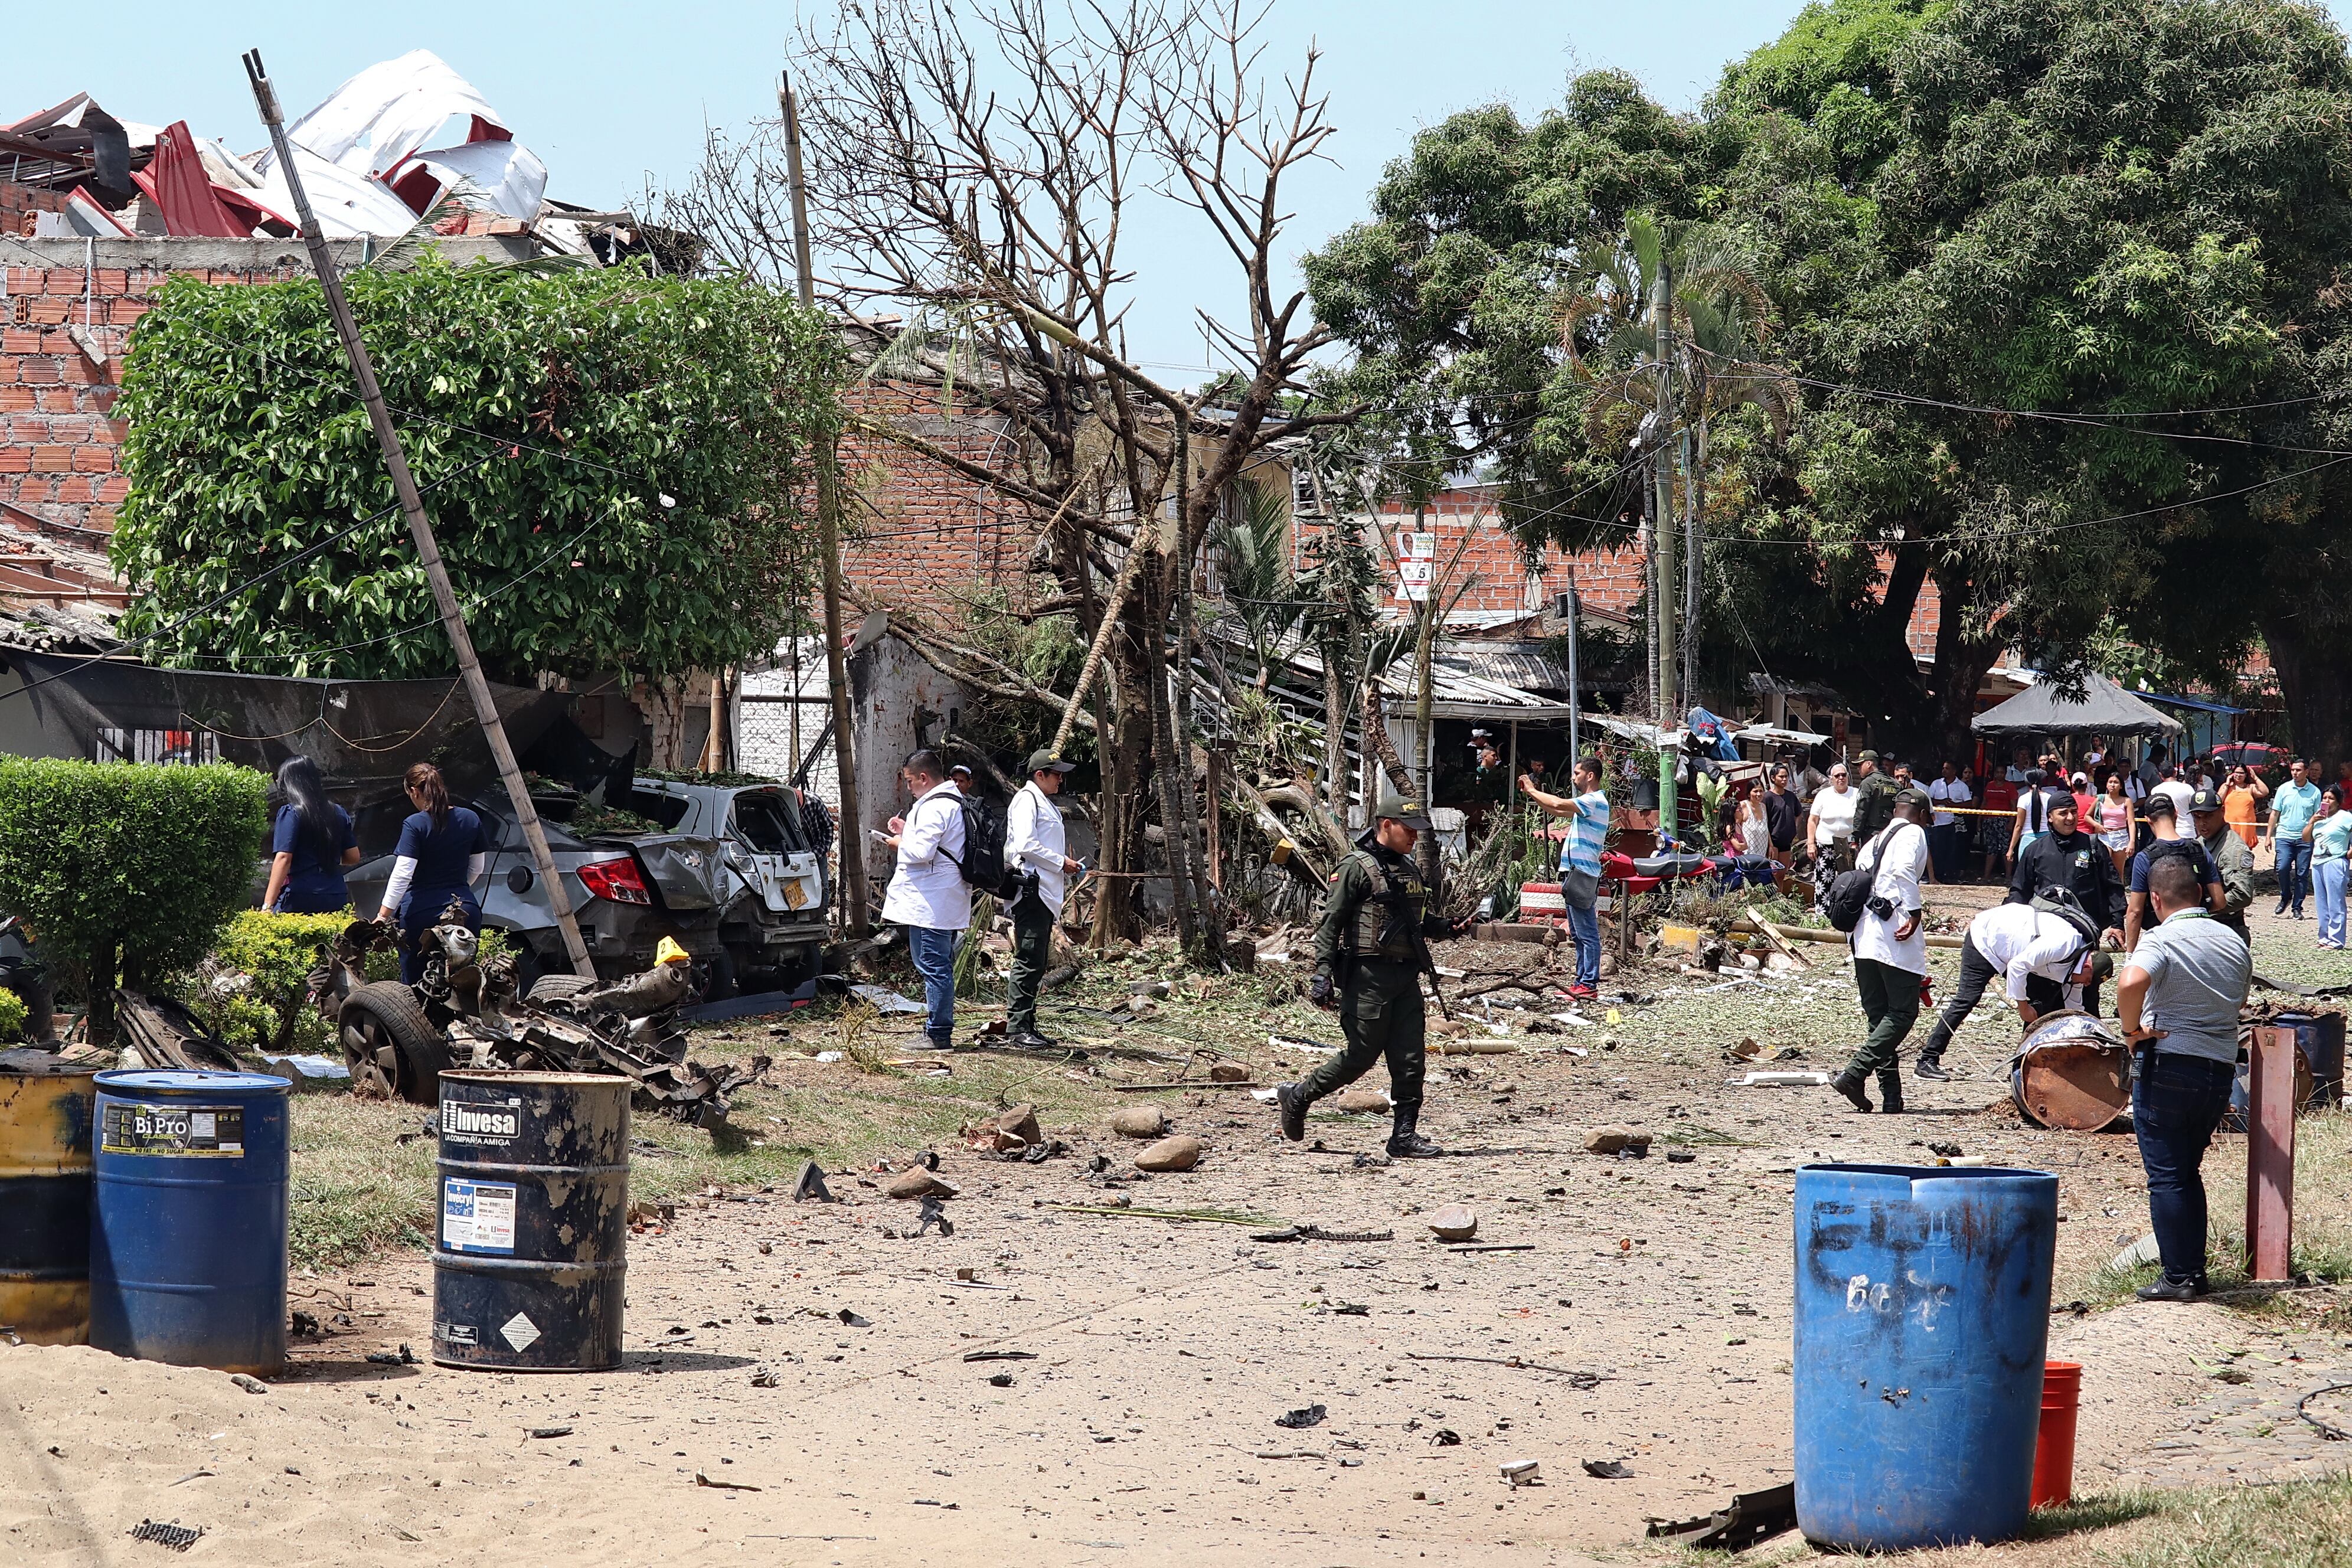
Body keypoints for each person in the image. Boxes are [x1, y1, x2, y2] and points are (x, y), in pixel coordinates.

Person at [1276, 785, 1458, 1158]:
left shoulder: (1409, 870)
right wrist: (1322, 973)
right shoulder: (1355, 867)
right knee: (1361, 1055)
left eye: (1418, 830)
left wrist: (1447, 927)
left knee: (1410, 1060)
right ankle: (1299, 1096)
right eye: (1408, 829)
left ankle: (1404, 1136)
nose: (1415, 836)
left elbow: (1417, 923)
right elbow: (1330, 924)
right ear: (1386, 825)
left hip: (1405, 978)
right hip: (1368, 978)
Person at [2117, 855, 2253, 1301]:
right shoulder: (2233, 940)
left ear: (2155, 900)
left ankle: (2180, 1277)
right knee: (2186, 1172)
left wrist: (2131, 1031)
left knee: (2168, 1176)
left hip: (2170, 1065)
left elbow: (2130, 982)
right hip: (2219, 1071)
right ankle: (2191, 1272)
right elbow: (2238, 1000)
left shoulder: (2162, 938)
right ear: (2199, 894)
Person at [1915, 901, 2113, 1079]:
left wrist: (2085, 1040)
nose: (2086, 985)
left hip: (2013, 951)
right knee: (1967, 1000)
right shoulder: (2063, 944)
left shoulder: (2079, 969)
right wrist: (2023, 1008)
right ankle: (1928, 1059)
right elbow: (2018, 966)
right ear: (2087, 967)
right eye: (2089, 981)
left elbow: (2074, 1009)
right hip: (1986, 939)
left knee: (2041, 1003)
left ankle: (2021, 1067)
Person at [1831, 787, 1931, 1114]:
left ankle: (1891, 1095)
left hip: (1863, 934)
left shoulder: (1873, 841)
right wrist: (1915, 913)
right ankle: (1854, 1073)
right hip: (1894, 933)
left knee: (1879, 1017)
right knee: (1902, 1013)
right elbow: (1903, 870)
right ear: (1922, 815)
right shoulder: (1913, 833)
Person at [880, 749, 971, 1051]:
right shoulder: (952, 801)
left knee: (934, 965)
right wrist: (907, 830)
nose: (908, 787)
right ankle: (937, 1029)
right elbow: (938, 842)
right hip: (940, 898)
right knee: (936, 964)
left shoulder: (935, 806)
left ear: (923, 777)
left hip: (931, 902)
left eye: (909, 781)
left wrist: (897, 842)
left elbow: (922, 852)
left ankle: (938, 1033)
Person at [2005, 792, 2126, 1015]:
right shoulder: (2036, 850)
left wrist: (2118, 923)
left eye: (2074, 812)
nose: (2070, 818)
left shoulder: (2092, 847)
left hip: (2084, 941)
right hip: (2044, 941)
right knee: (2042, 1003)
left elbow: (2113, 887)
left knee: (2087, 1003)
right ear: (2050, 817)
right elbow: (2019, 891)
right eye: (2063, 813)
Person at [372, 762, 490, 986]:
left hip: (421, 914)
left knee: (416, 987)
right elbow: (477, 868)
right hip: (465, 911)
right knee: (463, 986)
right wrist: (457, 888)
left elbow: (403, 873)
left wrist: (383, 915)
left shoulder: (415, 824)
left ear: (414, 791)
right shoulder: (470, 819)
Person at [1001, 749, 1082, 1048]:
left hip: (1044, 892)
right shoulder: (1027, 800)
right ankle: (1017, 1028)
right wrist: (1062, 862)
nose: (1061, 779)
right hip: (1031, 891)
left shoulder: (1043, 801)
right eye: (1056, 774)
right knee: (1029, 958)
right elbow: (1026, 844)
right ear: (1040, 775)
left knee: (1036, 961)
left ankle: (1028, 1025)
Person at [1520, 758, 1610, 1000]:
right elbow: (1558, 810)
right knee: (1578, 933)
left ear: (1590, 776)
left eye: (1577, 773)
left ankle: (1588, 984)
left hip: (1583, 873)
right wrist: (1533, 794)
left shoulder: (1594, 800)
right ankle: (1581, 982)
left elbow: (1559, 803)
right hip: (1575, 872)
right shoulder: (1587, 804)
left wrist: (1532, 789)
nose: (1573, 777)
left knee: (1587, 932)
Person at [2124, 793, 2225, 952]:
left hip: (2162, 939)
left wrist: (2130, 953)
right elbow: (2220, 901)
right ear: (2176, 813)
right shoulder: (2199, 850)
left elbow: (2135, 912)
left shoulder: (2144, 858)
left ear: (2148, 820)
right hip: (2197, 937)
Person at [261, 755, 359, 914]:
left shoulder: (291, 812)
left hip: (300, 894)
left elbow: (284, 858)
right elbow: (353, 857)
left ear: (289, 783)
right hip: (336, 893)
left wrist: (267, 906)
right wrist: (326, 857)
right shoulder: (338, 812)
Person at [2187, 787, 2255, 947]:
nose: (2202, 823)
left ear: (2222, 811)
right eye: (2197, 817)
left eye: (2209, 816)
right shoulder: (2201, 843)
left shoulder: (2234, 849)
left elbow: (2242, 895)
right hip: (2206, 929)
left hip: (2227, 931)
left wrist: (2204, 907)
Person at [2268, 759, 2323, 919]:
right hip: (2284, 836)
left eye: (2298, 770)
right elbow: (2275, 813)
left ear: (2306, 772)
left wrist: (2318, 837)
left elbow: (2318, 817)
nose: (2295, 773)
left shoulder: (2315, 792)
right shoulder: (2284, 789)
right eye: (2293, 770)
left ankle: (2297, 907)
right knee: (2282, 868)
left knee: (2302, 873)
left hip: (2305, 839)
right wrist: (2269, 836)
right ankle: (2286, 896)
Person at [2309, 786, 2352, 949]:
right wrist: (2312, 822)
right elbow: (2305, 837)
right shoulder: (2319, 818)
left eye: (2331, 798)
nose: (2327, 801)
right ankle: (2324, 937)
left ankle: (2336, 940)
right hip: (2317, 863)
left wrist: (2349, 853)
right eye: (2325, 798)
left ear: (2338, 802)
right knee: (2322, 904)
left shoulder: (2345, 817)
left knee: (2336, 902)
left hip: (2335, 862)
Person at [1807, 762, 1858, 875]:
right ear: (1831, 779)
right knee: (1825, 880)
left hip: (1848, 844)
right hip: (1825, 844)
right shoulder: (1823, 795)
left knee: (1847, 880)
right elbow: (1813, 820)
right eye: (1837, 776)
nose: (1841, 778)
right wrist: (1811, 844)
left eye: (1843, 775)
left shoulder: (1856, 794)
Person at [1926, 761, 1972, 884]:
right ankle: (1938, 875)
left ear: (1954, 771)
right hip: (1937, 822)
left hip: (1954, 823)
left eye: (1947, 768)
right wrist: (1942, 801)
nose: (1944, 771)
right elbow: (1929, 800)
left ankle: (1951, 876)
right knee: (1937, 850)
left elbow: (1969, 803)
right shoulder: (1936, 783)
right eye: (1943, 768)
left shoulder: (1962, 786)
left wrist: (1954, 805)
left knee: (1952, 850)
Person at [2095, 770, 2135, 887]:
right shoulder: (2100, 799)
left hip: (2121, 837)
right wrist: (2097, 825)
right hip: (2104, 836)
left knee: (2119, 872)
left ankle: (2120, 896)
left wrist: (2132, 842)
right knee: (2104, 869)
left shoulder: (2127, 801)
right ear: (2107, 784)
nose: (2113, 785)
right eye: (2110, 782)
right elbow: (2087, 816)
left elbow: (2131, 823)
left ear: (2121, 786)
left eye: (2116, 782)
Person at [1851, 750, 1897, 841]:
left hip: (1872, 835)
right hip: (1891, 833)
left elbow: (1861, 811)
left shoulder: (1868, 783)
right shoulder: (1893, 782)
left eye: (1860, 765)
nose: (1858, 769)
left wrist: (1855, 837)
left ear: (1869, 764)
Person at [1763, 763, 1801, 866]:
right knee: (1773, 871)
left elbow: (1798, 813)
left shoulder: (1791, 796)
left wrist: (1794, 828)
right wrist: (1770, 844)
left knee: (1783, 871)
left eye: (1786, 776)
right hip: (1773, 842)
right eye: (1781, 777)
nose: (1784, 779)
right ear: (1773, 778)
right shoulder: (1767, 798)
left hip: (1787, 842)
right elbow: (1764, 821)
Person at [2222, 763, 2266, 850]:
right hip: (2229, 826)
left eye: (2241, 773)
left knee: (2244, 853)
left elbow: (2265, 792)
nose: (2238, 775)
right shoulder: (2226, 787)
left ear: (2246, 775)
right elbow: (2218, 800)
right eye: (2236, 772)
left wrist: (2255, 778)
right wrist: (2227, 785)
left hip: (2246, 828)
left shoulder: (2250, 787)